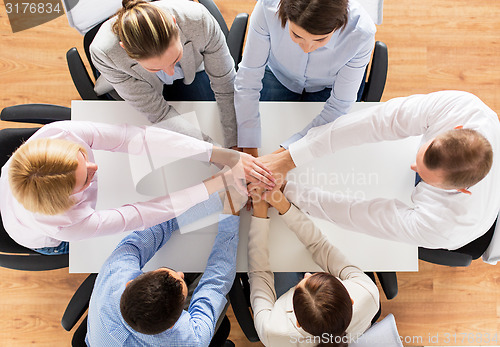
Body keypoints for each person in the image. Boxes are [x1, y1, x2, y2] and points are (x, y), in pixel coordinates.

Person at [259, 91, 500, 250]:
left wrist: (289, 192)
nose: (413, 167)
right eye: (421, 157)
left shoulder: (445, 227)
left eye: (424, 175)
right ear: (454, 128)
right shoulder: (463, 108)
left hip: (475, 229)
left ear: (459, 190)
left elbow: (359, 214)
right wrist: (291, 157)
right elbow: (379, 121)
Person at [0, 121, 274, 254]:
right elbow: (142, 214)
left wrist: (221, 155)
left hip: (14, 180)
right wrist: (218, 182)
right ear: (68, 199)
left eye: (84, 158)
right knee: (91, 253)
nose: (96, 169)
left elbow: (137, 139)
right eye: (84, 181)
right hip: (31, 233)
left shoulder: (59, 134)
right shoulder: (65, 224)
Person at [86, 191, 241, 346]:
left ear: (129, 283)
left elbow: (159, 226)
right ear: (174, 324)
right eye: (182, 280)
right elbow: (215, 284)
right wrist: (231, 212)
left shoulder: (114, 272)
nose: (181, 274)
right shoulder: (191, 339)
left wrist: (218, 198)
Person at [234, 0, 376, 156]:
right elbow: (248, 79)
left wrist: (280, 158)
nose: (307, 48)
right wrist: (249, 150)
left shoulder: (361, 32)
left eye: (320, 40)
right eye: (296, 35)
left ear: (338, 25)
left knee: (323, 153)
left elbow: (339, 106)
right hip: (278, 73)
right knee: (270, 128)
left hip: (329, 85)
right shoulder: (267, 7)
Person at [90, 0, 238, 148]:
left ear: (174, 23)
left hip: (192, 68)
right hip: (136, 81)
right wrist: (215, 152)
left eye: (175, 59)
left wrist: (234, 144)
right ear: (125, 50)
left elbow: (226, 86)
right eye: (155, 68)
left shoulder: (199, 21)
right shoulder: (104, 53)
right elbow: (159, 114)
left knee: (208, 113)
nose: (170, 72)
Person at [248, 185, 379, 346]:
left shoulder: (272, 332)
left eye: (300, 285)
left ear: (298, 323)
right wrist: (282, 204)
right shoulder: (367, 293)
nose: (307, 274)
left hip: (283, 306)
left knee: (280, 257)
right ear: (350, 299)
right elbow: (320, 245)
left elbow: (259, 272)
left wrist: (259, 213)